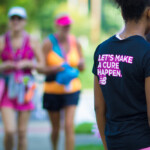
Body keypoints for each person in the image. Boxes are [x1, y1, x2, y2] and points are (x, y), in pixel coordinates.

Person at [92, 0, 150, 150]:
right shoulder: (146, 52)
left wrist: (106, 144)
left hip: (113, 142)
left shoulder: (102, 50)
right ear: (148, 12)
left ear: (123, 13)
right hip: (143, 142)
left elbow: (99, 107)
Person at [0, 7, 44, 150]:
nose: (16, 21)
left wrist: (29, 63)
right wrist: (4, 65)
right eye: (13, 18)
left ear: (24, 21)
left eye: (19, 18)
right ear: (9, 21)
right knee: (9, 131)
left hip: (26, 89)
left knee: (22, 132)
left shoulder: (32, 41)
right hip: (7, 89)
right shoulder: (2, 41)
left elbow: (42, 64)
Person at [41, 13, 85, 150]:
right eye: (64, 25)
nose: (66, 27)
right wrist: (55, 68)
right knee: (56, 128)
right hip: (52, 90)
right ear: (57, 25)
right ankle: (54, 147)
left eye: (68, 25)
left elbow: (82, 66)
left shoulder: (75, 41)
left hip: (72, 89)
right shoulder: (48, 43)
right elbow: (40, 68)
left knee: (68, 126)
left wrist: (81, 63)